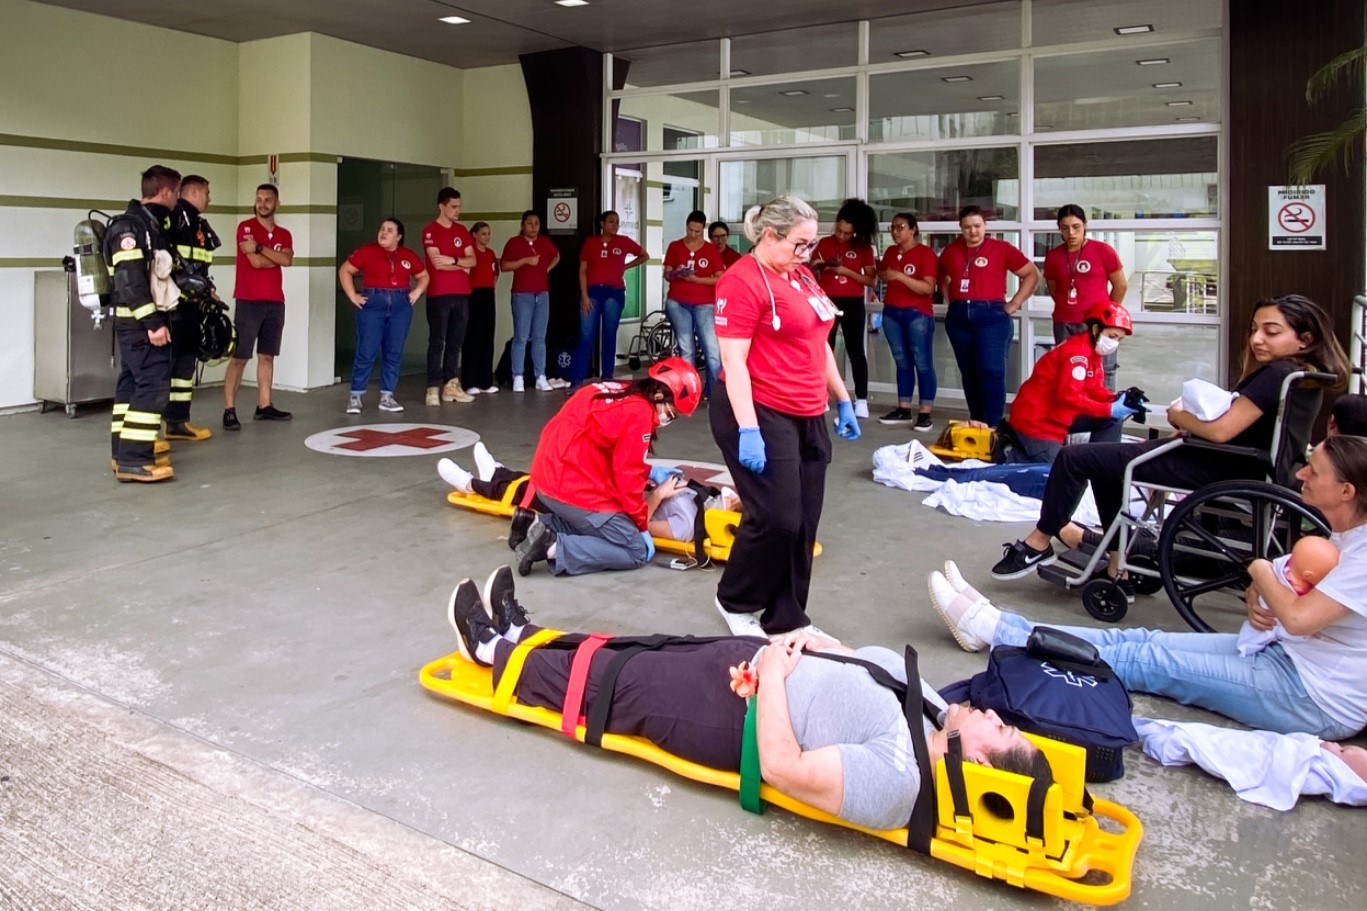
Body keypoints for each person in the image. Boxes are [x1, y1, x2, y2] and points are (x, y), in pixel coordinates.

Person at [448, 565, 1052, 832]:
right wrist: (814, 645)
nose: (994, 714)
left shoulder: (897, 780)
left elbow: (785, 767)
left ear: (976, 763)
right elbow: (864, 667)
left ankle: (492, 653)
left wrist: (777, 675)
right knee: (638, 648)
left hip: (730, 714)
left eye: (1001, 730)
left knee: (617, 683)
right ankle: (524, 636)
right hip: (760, 667)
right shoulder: (936, 714)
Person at [934, 436, 1367, 742]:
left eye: (1314, 470)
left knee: (1148, 662)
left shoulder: (1362, 555)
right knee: (1142, 640)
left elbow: (1296, 615)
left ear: (1346, 491)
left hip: (1311, 698)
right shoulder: (1342, 534)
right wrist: (1260, 588)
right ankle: (1002, 626)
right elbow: (1280, 591)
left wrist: (1258, 568)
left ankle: (995, 631)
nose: (1300, 472)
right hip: (1284, 653)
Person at [991, 293, 1350, 590]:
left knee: (1074, 458)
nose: (1257, 339)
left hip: (1215, 460)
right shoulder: (1304, 376)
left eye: (1271, 332)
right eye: (1255, 329)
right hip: (1237, 460)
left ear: (1305, 339)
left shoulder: (1276, 373)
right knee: (1102, 460)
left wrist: (1178, 415)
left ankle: (1039, 541)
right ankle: (1117, 565)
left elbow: (1221, 431)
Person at [711, 195, 861, 639]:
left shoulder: (802, 276)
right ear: (770, 236)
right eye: (801, 244)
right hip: (759, 407)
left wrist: (842, 398)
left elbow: (818, 343)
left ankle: (787, 617)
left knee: (804, 522)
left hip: (808, 408)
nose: (808, 253)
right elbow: (734, 362)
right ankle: (734, 599)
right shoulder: (741, 282)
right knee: (776, 517)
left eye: (812, 244)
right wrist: (749, 429)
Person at [512, 357, 703, 577]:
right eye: (671, 414)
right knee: (634, 549)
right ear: (659, 396)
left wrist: (649, 472)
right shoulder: (639, 414)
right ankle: (553, 546)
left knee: (603, 527)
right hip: (568, 484)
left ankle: (532, 524)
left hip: (547, 474)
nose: (668, 419)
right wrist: (641, 524)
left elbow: (609, 450)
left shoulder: (617, 389)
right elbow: (627, 481)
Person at [438, 442, 739, 543]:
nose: (732, 496)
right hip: (620, 492)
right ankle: (498, 473)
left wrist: (658, 495)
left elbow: (642, 527)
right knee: (555, 477)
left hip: (609, 513)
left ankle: (472, 484)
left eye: (735, 503)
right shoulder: (701, 498)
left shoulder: (688, 527)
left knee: (540, 495)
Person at [106, 165, 180, 482]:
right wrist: (153, 322)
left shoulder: (146, 224)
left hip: (135, 324)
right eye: (176, 193)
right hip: (140, 325)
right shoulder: (131, 228)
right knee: (152, 385)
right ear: (165, 192)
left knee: (132, 384)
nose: (177, 199)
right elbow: (130, 279)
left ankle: (122, 453)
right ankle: (134, 460)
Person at [938, 206, 1039, 427]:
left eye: (977, 226)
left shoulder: (1001, 248)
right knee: (969, 372)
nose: (972, 231)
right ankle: (977, 422)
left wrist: (1014, 303)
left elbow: (1032, 274)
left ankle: (994, 425)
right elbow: (941, 276)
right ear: (960, 228)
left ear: (985, 226)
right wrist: (950, 299)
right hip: (959, 318)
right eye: (967, 227)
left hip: (992, 316)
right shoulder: (950, 251)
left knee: (991, 370)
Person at [999, 301, 1135, 464]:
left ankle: (1100, 465)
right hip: (1038, 423)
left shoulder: (1092, 352)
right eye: (1112, 336)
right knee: (1060, 471)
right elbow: (1068, 396)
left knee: (1113, 419)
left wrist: (1117, 399)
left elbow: (1094, 388)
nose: (1114, 343)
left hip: (1059, 416)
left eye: (1119, 339)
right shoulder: (1077, 353)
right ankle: (1011, 451)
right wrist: (1108, 409)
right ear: (1096, 329)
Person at [338, 218, 429, 413]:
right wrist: (352, 295)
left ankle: (387, 396)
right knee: (366, 350)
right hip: (373, 304)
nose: (384, 233)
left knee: (394, 351)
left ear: (399, 236)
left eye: (389, 230)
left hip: (400, 306)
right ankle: (355, 396)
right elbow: (345, 270)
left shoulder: (407, 255)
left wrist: (417, 292)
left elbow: (423, 275)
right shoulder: (367, 251)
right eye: (382, 229)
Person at [225, 184, 294, 430]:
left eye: (268, 200)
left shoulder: (284, 233)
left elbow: (287, 260)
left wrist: (260, 248)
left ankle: (264, 405)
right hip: (248, 300)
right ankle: (229, 409)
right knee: (240, 356)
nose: (262, 204)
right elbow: (255, 262)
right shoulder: (245, 227)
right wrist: (273, 257)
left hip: (275, 301)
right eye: (259, 199)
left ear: (277, 204)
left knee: (267, 355)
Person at [1042, 205, 1127, 391]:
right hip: (1065, 323)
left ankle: (1104, 408)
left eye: (1076, 227)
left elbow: (1120, 285)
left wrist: (1108, 315)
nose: (1071, 233)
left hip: (1098, 324)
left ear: (1085, 225)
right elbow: (1055, 289)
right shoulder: (1054, 256)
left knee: (1104, 371)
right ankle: (1072, 409)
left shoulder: (1103, 250)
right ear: (1059, 229)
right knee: (1068, 371)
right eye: (1065, 228)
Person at [163, 174, 220, 442]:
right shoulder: (173, 219)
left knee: (185, 366)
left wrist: (208, 289)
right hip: (173, 306)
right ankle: (152, 428)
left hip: (193, 307)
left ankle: (178, 422)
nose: (209, 198)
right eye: (206, 193)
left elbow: (199, 266)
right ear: (194, 192)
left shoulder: (198, 223)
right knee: (167, 365)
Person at [812, 198, 878, 419]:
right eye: (839, 231)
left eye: (847, 233)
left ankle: (861, 399)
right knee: (824, 349)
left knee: (855, 350)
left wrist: (845, 271)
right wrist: (819, 266)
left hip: (853, 302)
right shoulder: (824, 243)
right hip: (827, 301)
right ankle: (821, 395)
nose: (841, 236)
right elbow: (812, 270)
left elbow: (871, 280)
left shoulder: (863, 248)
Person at [877, 212, 939, 430]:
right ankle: (903, 408)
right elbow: (883, 274)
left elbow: (928, 288)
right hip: (892, 312)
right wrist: (884, 273)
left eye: (900, 227)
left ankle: (925, 412)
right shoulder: (890, 252)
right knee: (902, 361)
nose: (895, 231)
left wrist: (900, 276)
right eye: (892, 227)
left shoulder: (925, 253)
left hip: (917, 314)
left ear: (913, 230)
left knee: (923, 363)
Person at [573, 210, 648, 389]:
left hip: (614, 293)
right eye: (611, 221)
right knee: (586, 335)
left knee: (609, 334)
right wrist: (584, 295)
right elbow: (582, 270)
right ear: (602, 224)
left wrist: (625, 266)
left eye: (617, 222)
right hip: (592, 292)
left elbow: (644, 255)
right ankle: (576, 380)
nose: (615, 225)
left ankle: (607, 377)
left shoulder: (624, 241)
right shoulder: (591, 242)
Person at [421, 187, 477, 407]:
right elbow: (437, 263)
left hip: (462, 293)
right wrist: (461, 265)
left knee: (456, 342)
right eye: (453, 207)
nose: (457, 210)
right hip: (439, 294)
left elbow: (473, 261)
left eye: (459, 206)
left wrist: (453, 261)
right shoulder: (430, 231)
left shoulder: (461, 230)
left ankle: (451, 385)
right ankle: (432, 387)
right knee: (437, 341)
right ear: (441, 206)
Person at [663, 210, 725, 395]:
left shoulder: (710, 250)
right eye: (690, 230)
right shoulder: (675, 246)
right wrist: (677, 272)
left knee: (712, 350)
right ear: (686, 226)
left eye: (697, 231)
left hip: (704, 302)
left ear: (703, 229)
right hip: (678, 301)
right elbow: (667, 274)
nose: (693, 234)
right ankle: (690, 393)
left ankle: (714, 393)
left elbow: (719, 278)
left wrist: (697, 280)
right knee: (686, 348)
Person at [500, 210, 563, 393]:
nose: (534, 227)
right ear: (522, 225)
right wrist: (525, 261)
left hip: (542, 294)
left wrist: (546, 269)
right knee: (520, 337)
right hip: (522, 295)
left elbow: (557, 256)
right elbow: (504, 266)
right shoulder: (514, 242)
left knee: (539, 337)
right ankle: (517, 376)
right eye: (529, 223)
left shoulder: (545, 242)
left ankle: (540, 376)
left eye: (537, 223)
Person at [461, 221, 500, 394]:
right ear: (474, 235)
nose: (487, 237)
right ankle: (470, 382)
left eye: (488, 233)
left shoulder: (490, 253)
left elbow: (495, 273)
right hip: (473, 295)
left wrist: (491, 285)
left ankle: (485, 382)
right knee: (472, 337)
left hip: (488, 294)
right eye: (483, 233)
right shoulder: (470, 253)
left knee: (487, 336)